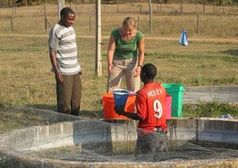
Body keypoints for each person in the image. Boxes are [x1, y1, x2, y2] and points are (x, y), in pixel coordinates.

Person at [114, 63, 168, 159]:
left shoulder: (142, 94)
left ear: (143, 75)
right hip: (163, 134)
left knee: (142, 162)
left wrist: (122, 112)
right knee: (160, 162)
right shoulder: (161, 88)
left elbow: (141, 116)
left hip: (148, 135)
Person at [48, 7, 81, 116]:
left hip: (75, 70)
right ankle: (62, 124)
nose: (72, 22)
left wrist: (78, 66)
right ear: (62, 17)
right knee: (64, 103)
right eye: (69, 19)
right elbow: (52, 51)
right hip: (64, 71)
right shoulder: (56, 30)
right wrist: (57, 71)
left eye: (73, 20)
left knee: (76, 101)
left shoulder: (71, 28)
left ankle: (75, 125)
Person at [107, 16, 145, 92]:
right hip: (117, 62)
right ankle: (112, 103)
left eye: (130, 31)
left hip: (132, 63)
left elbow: (141, 53)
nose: (127, 33)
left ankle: (132, 104)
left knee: (134, 89)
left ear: (134, 28)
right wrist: (110, 64)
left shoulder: (139, 36)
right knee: (112, 88)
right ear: (122, 26)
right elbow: (111, 50)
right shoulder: (115, 33)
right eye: (125, 30)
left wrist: (139, 66)